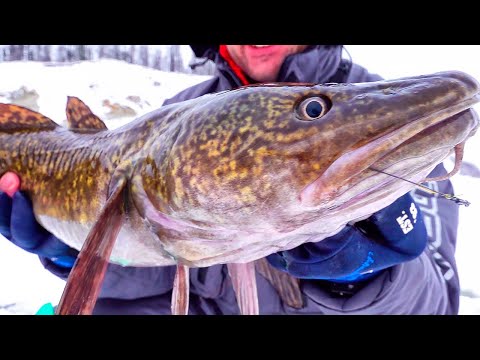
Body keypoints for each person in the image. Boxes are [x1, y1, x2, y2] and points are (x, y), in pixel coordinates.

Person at [0, 45, 461, 314]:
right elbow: (159, 283)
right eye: (311, 111)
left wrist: (360, 282)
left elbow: (438, 301)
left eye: (313, 110)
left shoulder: (393, 127)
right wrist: (78, 256)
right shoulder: (176, 119)